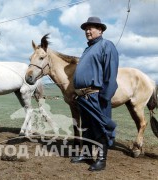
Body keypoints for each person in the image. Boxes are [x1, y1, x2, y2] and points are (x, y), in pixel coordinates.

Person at [71, 17, 119, 171]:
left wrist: (104, 98)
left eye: (91, 28)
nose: (87, 31)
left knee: (100, 126)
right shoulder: (88, 49)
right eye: (86, 29)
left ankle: (101, 160)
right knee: (87, 127)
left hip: (96, 96)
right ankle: (86, 154)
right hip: (83, 96)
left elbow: (110, 74)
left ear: (101, 30)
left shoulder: (106, 45)